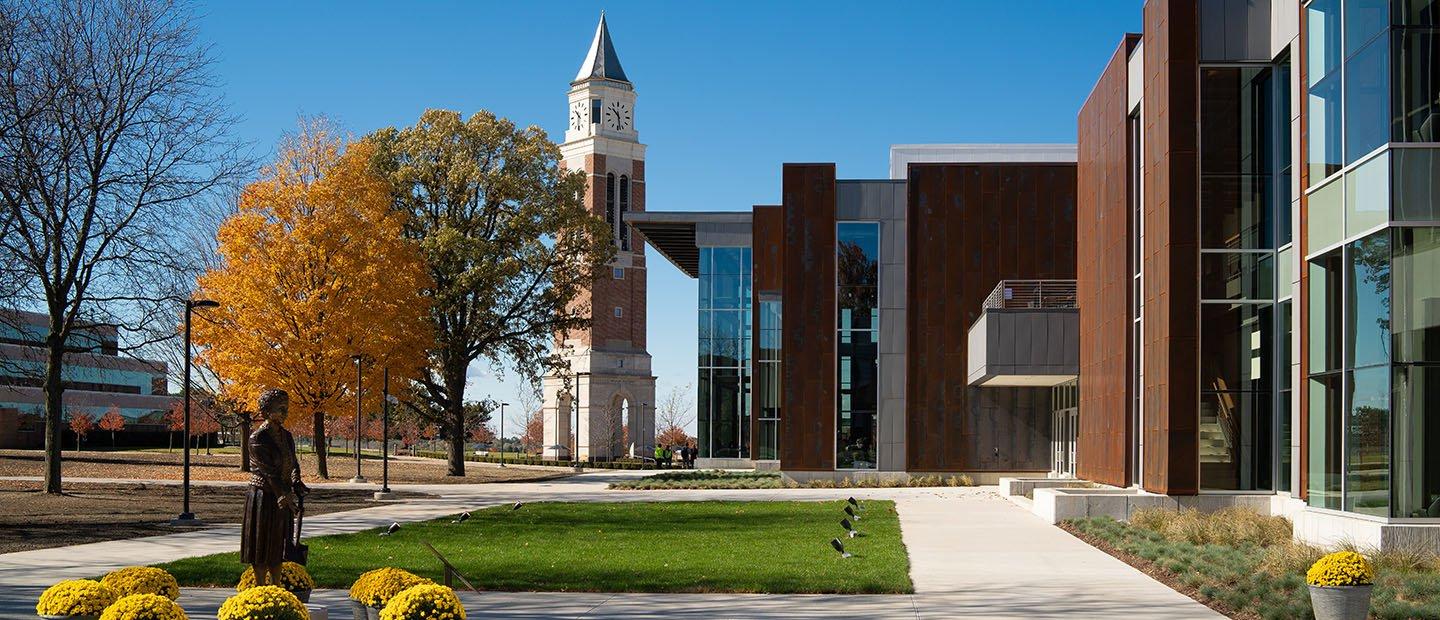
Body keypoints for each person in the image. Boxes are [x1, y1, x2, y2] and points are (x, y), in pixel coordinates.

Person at [241, 388, 307, 586]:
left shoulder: (287, 436)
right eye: (281, 409)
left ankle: (277, 587)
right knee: (262, 545)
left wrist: (296, 482)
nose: (285, 413)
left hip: (282, 494)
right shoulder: (257, 439)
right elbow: (269, 473)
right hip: (264, 497)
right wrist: (285, 496)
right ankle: (261, 587)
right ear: (267, 412)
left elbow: (293, 463)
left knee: (279, 544)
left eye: (286, 408)